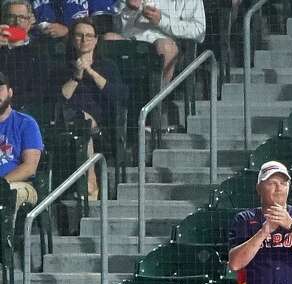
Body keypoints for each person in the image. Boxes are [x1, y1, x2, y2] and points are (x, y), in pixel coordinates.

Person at [56, 17, 123, 200]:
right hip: (66, 120)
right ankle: (90, 184)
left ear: (96, 39)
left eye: (88, 35)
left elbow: (117, 95)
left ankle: (90, 180)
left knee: (82, 122)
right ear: (72, 39)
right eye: (79, 35)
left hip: (100, 124)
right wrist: (77, 75)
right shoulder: (62, 67)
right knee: (78, 119)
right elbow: (60, 98)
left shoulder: (108, 66)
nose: (84, 39)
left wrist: (91, 72)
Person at [104, 0, 205, 85]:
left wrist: (161, 21)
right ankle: (116, 100)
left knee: (165, 47)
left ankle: (157, 101)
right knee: (108, 39)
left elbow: (199, 31)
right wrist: (128, 8)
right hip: (132, 41)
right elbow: (117, 28)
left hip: (167, 45)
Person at [0, 70, 41, 212]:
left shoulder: (26, 123)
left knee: (4, 194)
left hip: (18, 184)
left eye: (0, 88)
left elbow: (30, 167)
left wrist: (2, 184)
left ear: (10, 92)